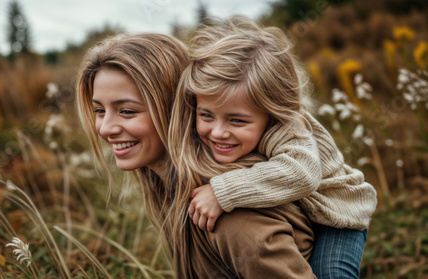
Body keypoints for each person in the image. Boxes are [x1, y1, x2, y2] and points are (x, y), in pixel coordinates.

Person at [76, 33, 316, 278]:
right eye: (99, 110)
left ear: (178, 109)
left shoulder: (231, 216)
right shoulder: (177, 189)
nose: (105, 128)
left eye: (126, 111)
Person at [171, 15, 378, 278]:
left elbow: (302, 174)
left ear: (271, 114)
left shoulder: (288, 128)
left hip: (336, 217)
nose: (218, 132)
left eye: (237, 120)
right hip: (302, 209)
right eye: (206, 115)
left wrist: (222, 192)